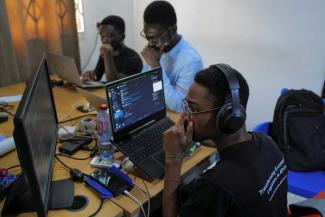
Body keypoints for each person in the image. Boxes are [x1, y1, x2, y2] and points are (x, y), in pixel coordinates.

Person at [162, 64, 288, 217]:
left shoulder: (216, 185)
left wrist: (173, 159)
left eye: (194, 109)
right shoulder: (266, 142)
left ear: (228, 117)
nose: (186, 115)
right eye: (186, 105)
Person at [141, 1, 203, 112]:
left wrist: (156, 68)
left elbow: (180, 107)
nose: (150, 43)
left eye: (154, 37)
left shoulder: (191, 61)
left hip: (175, 121)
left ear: (173, 30)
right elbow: (144, 90)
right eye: (147, 37)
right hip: (154, 112)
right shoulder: (155, 49)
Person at [83, 15, 143, 82]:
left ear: (122, 37)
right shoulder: (105, 54)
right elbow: (96, 76)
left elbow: (116, 85)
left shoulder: (133, 59)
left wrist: (108, 56)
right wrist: (90, 75)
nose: (105, 40)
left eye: (110, 36)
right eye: (102, 36)